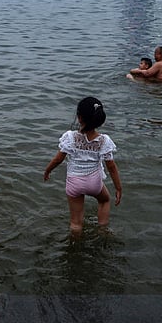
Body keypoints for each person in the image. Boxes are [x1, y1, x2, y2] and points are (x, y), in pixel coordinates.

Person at [43, 97, 122, 234]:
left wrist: (48, 171)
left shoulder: (70, 137)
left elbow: (58, 159)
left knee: (75, 222)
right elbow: (111, 167)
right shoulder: (103, 141)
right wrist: (118, 187)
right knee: (104, 201)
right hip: (94, 183)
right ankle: (103, 231)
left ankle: (74, 246)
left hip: (74, 183)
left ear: (79, 117)